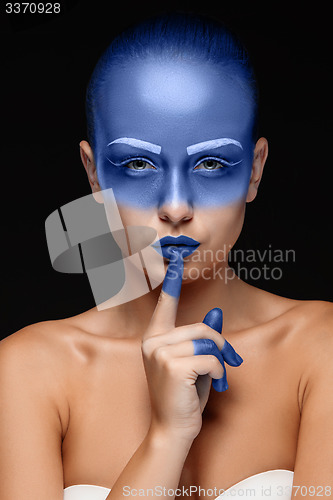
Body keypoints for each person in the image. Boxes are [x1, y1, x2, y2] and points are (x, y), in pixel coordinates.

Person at [1, 12, 332, 500]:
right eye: (137, 163)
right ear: (94, 176)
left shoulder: (321, 353)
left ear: (255, 170)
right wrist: (166, 436)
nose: (175, 206)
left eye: (212, 163)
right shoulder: (25, 373)